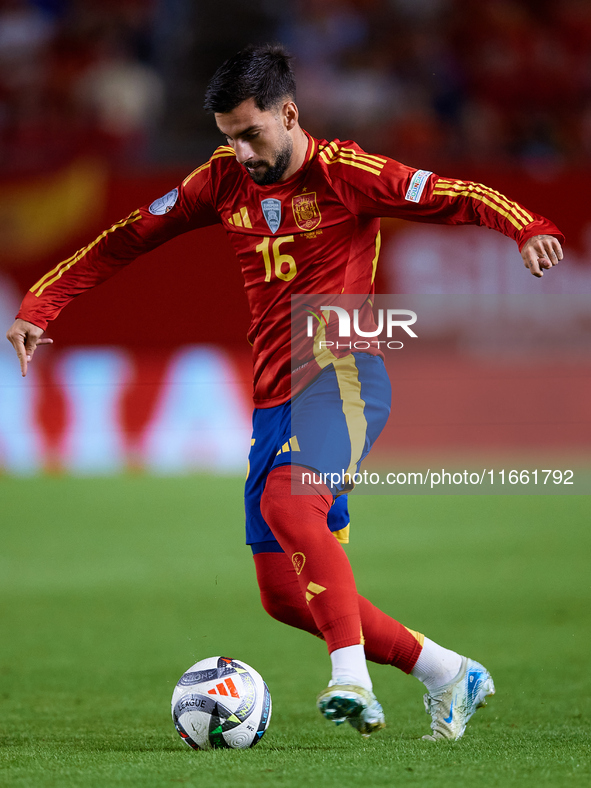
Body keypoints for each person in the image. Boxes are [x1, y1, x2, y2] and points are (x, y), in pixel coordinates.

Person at [6, 44, 564, 741]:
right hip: (273, 400)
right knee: (283, 597)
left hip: (344, 375)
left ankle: (350, 681)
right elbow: (127, 238)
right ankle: (448, 673)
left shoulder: (348, 174)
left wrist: (527, 227)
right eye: (227, 137)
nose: (239, 151)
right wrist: (41, 305)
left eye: (250, 133)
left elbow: (453, 194)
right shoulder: (220, 182)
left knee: (289, 500)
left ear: (289, 113)